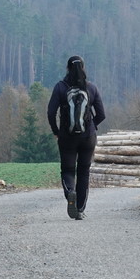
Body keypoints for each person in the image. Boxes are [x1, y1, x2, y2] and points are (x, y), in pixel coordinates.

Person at [47, 55, 106, 220]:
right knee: (84, 171)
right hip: (88, 137)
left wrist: (56, 131)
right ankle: (79, 209)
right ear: (84, 68)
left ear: (67, 68)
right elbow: (101, 114)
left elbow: (51, 112)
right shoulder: (91, 88)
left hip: (67, 136)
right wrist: (92, 126)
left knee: (67, 170)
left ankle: (70, 192)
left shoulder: (60, 87)